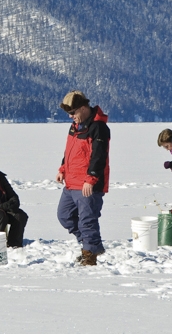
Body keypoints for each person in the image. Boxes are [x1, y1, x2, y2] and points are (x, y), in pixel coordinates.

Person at [56, 91, 110, 266]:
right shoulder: (74, 126)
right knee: (64, 216)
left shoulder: (98, 127)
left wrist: (91, 179)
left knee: (87, 220)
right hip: (71, 182)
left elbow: (99, 157)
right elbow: (69, 151)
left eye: (73, 113)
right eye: (69, 114)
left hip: (88, 184)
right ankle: (90, 244)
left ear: (83, 108)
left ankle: (90, 255)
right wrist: (62, 169)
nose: (71, 117)